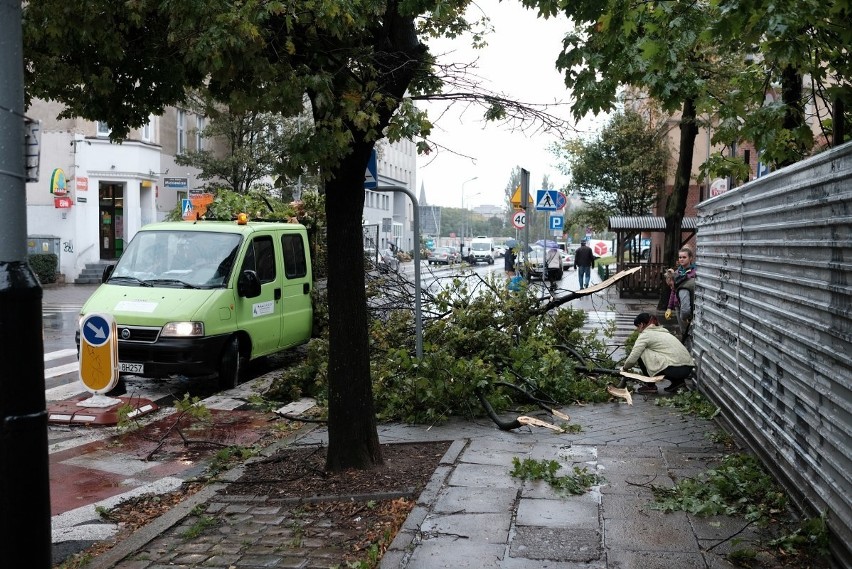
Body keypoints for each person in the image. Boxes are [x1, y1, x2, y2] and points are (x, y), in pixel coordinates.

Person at [621, 312, 695, 394]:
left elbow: (633, 357)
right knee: (670, 358)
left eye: (637, 327)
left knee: (641, 351)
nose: (638, 330)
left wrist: (624, 368)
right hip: (688, 369)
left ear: (641, 324)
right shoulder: (664, 332)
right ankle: (678, 383)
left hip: (674, 370)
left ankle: (650, 385)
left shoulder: (645, 335)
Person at [665, 246, 697, 342]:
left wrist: (675, 275)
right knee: (684, 331)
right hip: (678, 305)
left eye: (684, 257)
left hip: (690, 305)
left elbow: (686, 278)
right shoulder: (678, 272)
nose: (681, 259)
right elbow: (673, 291)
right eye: (680, 257)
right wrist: (669, 307)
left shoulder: (694, 271)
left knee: (692, 331)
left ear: (690, 258)